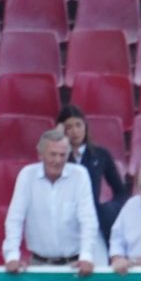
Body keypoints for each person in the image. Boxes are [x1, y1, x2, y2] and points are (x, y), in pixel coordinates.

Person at [2, 129, 99, 277]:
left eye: (63, 155)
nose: (58, 160)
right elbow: (15, 218)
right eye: (53, 154)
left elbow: (88, 219)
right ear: (40, 155)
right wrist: (12, 256)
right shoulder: (27, 175)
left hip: (74, 265)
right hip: (38, 264)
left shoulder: (80, 175)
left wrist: (86, 256)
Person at [57, 104, 128, 246]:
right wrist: (58, 142)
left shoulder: (101, 155)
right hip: (62, 222)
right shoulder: (57, 157)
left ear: (85, 127)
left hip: (94, 221)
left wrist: (107, 211)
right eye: (68, 127)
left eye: (78, 125)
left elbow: (121, 192)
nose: (74, 131)